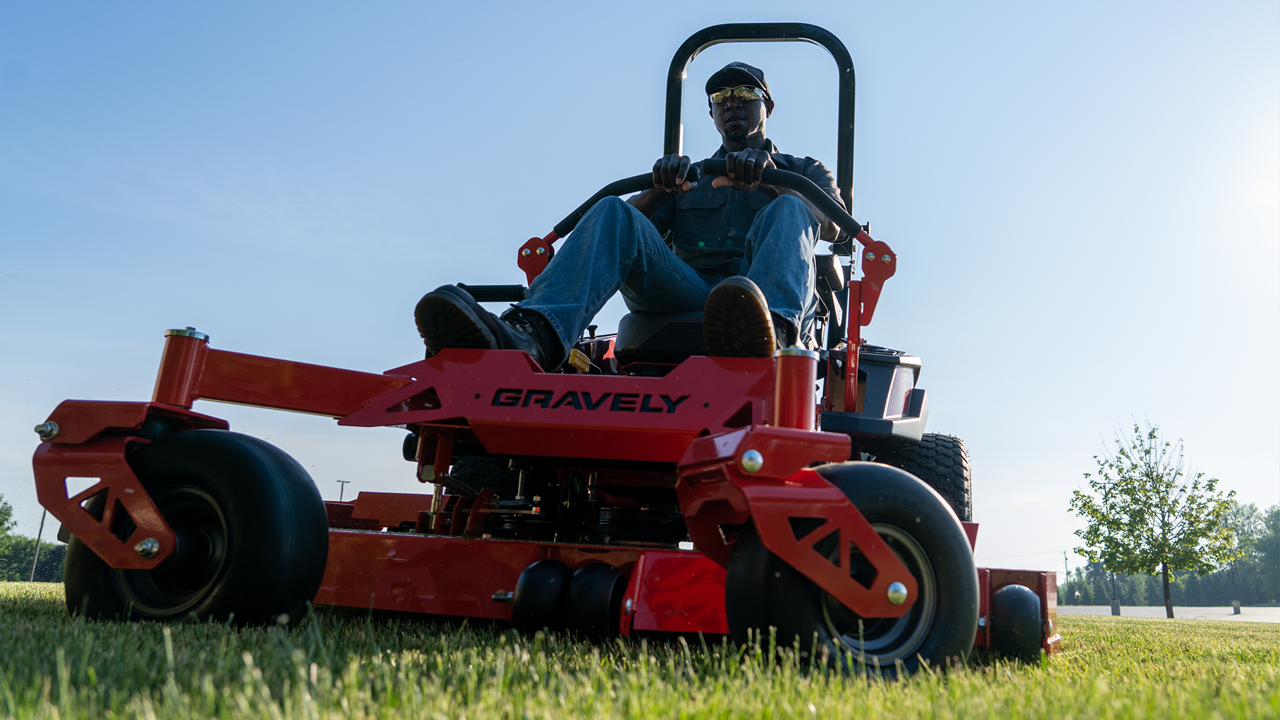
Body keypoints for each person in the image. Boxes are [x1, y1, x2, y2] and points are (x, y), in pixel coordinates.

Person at [414, 61, 845, 368]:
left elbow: (834, 227)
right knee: (611, 210)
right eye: (721, 97)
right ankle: (532, 335)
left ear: (768, 106)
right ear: (712, 114)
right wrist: (659, 189)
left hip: (761, 299)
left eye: (746, 94)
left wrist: (771, 183)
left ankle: (771, 338)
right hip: (689, 289)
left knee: (792, 205)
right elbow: (628, 238)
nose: (733, 102)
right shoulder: (691, 176)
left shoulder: (805, 171)